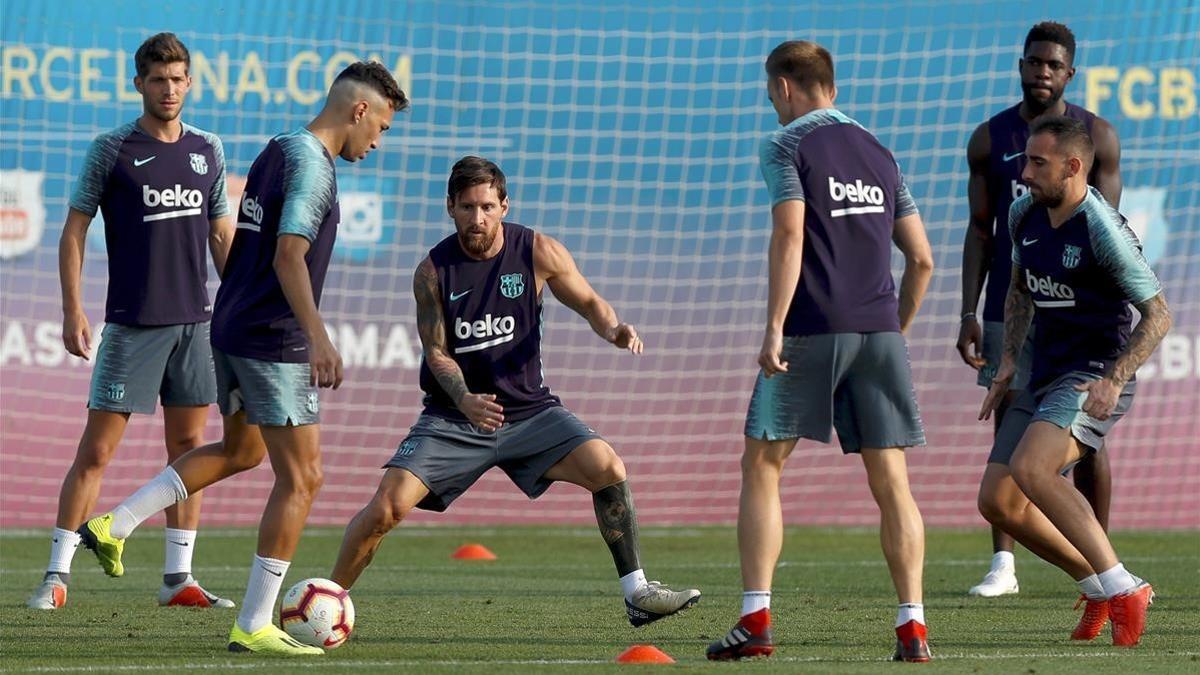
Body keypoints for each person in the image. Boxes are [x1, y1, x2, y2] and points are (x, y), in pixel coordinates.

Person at [76, 61, 409, 655]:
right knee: (303, 477)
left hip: (229, 328)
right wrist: (320, 337)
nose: (377, 142)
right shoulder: (313, 166)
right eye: (380, 127)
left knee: (242, 450)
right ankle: (255, 622)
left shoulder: (279, 146)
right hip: (273, 338)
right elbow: (287, 257)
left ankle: (115, 522)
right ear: (359, 110)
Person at [328, 156, 701, 629]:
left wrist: (614, 328)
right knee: (386, 507)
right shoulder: (432, 272)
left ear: (504, 205)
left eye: (486, 206)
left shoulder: (537, 251)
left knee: (607, 466)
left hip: (531, 413)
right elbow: (437, 352)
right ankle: (326, 602)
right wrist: (464, 398)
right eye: (466, 207)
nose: (477, 218)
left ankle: (637, 593)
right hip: (454, 419)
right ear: (450, 207)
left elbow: (589, 302)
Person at [706, 41, 934, 662]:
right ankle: (913, 630)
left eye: (768, 91)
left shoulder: (786, 144)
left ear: (783, 87)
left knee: (762, 465)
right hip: (879, 331)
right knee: (892, 483)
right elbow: (922, 260)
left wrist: (774, 325)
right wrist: (895, 331)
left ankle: (755, 622)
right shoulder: (881, 153)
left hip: (812, 326)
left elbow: (789, 231)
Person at [28, 32, 235, 611]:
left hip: (197, 326)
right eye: (157, 80)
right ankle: (54, 575)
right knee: (96, 453)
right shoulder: (112, 148)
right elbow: (74, 231)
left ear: (189, 83)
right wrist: (73, 308)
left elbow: (221, 233)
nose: (168, 89)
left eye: (177, 79)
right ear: (138, 83)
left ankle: (178, 579)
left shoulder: (208, 148)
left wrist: (241, 304)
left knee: (189, 449)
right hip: (133, 326)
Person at [978, 116, 1169, 647]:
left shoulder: (1102, 229)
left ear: (1073, 167)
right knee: (997, 501)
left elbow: (1158, 315)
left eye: (1038, 163)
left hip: (1093, 373)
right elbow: (1018, 289)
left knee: (1032, 469)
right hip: (1042, 371)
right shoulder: (1024, 213)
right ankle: (1100, 584)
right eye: (1026, 160)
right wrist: (1009, 361)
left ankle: (1124, 588)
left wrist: (1114, 379)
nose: (1026, 172)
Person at [959, 21, 1121, 598]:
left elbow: (1103, 233)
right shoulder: (989, 137)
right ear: (1021, 64)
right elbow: (979, 233)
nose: (1042, 72)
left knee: (1084, 441)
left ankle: (1103, 559)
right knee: (1009, 429)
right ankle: (1004, 565)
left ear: (1069, 73)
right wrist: (967, 313)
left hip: (1073, 316)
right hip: (1013, 304)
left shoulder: (1095, 136)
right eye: (1035, 62)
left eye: (1054, 65)